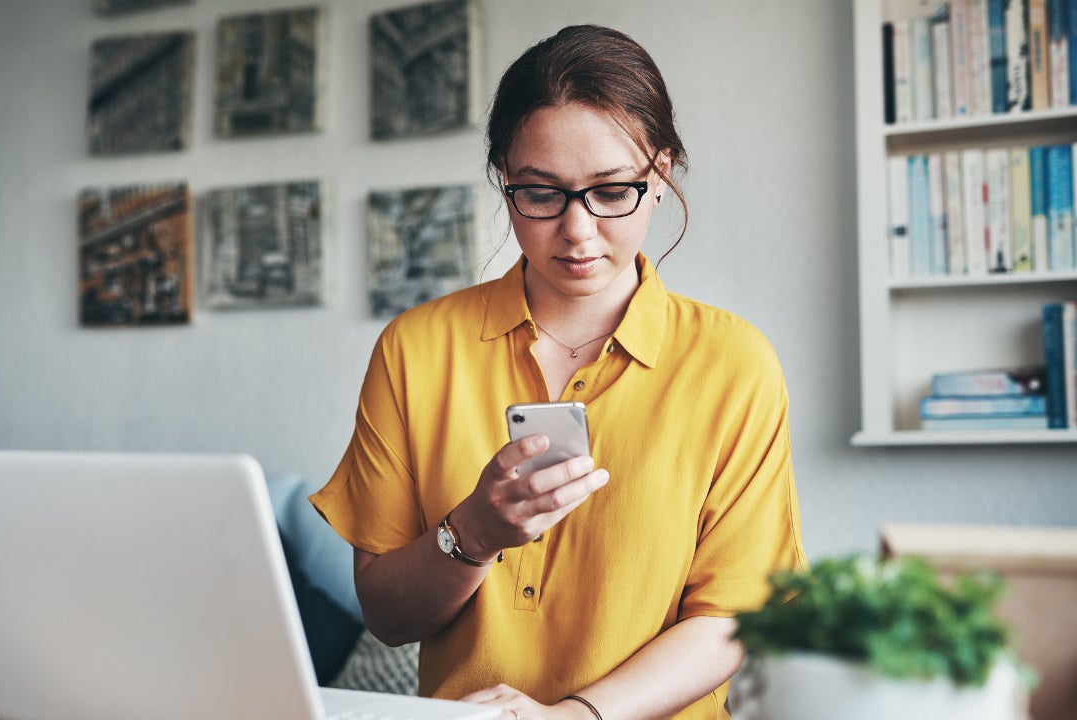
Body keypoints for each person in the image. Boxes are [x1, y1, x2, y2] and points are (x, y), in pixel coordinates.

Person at [310, 24, 806, 720]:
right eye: (539, 193)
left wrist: (575, 715)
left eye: (611, 192)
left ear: (660, 175)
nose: (576, 230)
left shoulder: (733, 363)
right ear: (504, 181)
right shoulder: (415, 348)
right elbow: (389, 618)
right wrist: (471, 534)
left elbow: (732, 617)